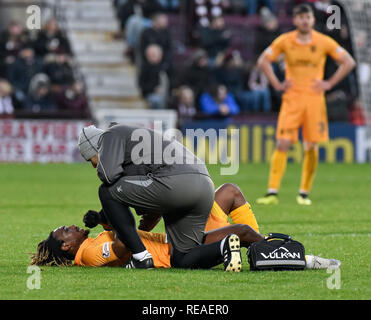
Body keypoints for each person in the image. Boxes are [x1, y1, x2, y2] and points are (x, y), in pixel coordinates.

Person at [30, 183, 341, 270]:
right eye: (64, 231)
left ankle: (260, 245)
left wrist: (104, 220)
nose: (69, 226)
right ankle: (293, 256)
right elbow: (124, 247)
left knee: (229, 193)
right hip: (179, 247)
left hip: (183, 232)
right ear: (67, 247)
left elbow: (123, 231)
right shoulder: (89, 254)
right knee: (242, 233)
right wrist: (108, 221)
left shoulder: (92, 239)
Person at [77, 123, 239, 271]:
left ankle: (141, 257)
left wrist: (133, 241)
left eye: (90, 159)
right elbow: (153, 209)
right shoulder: (135, 151)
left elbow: (108, 176)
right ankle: (226, 246)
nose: (93, 165)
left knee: (105, 191)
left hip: (177, 182)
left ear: (94, 147)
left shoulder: (109, 136)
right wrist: (106, 220)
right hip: (204, 185)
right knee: (182, 259)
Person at [255, 4, 356, 206]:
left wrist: (328, 83)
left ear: (311, 19)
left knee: (311, 145)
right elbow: (263, 61)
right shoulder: (285, 40)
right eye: (300, 17)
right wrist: (277, 84)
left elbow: (348, 62)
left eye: (307, 17)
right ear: (295, 20)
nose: (304, 21)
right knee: (282, 143)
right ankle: (272, 192)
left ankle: (303, 193)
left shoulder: (323, 41)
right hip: (292, 98)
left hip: (314, 100)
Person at [138, 44, 167, 109]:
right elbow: (141, 85)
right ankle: (157, 119)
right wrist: (153, 89)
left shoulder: (164, 67)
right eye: (152, 55)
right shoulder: (145, 69)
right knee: (156, 100)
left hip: (164, 94)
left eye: (156, 54)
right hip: (150, 94)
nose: (154, 57)